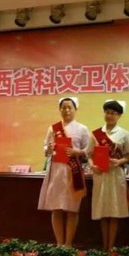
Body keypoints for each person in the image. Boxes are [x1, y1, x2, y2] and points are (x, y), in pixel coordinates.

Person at [38, 96, 89, 246]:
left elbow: (89, 151)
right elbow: (45, 148)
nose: (67, 110)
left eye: (69, 107)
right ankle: (59, 244)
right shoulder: (53, 128)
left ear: (75, 109)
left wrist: (77, 152)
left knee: (71, 209)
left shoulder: (82, 129)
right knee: (56, 208)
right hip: (56, 172)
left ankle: (68, 244)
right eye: (64, 107)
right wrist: (49, 148)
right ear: (60, 110)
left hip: (73, 173)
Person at [88, 100, 129, 251]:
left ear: (119, 116)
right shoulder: (95, 134)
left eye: (113, 113)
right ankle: (104, 246)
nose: (110, 115)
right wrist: (92, 165)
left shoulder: (124, 134)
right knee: (103, 211)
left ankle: (110, 247)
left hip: (115, 175)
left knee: (114, 211)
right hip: (100, 175)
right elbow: (89, 154)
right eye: (107, 112)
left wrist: (119, 161)